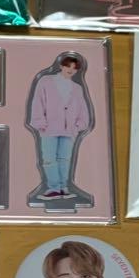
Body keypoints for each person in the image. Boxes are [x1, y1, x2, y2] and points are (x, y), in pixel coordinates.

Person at [27, 53, 92, 200]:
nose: (71, 70)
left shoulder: (77, 88)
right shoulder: (46, 81)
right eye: (68, 66)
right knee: (49, 159)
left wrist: (79, 125)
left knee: (64, 159)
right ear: (61, 66)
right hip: (49, 128)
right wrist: (40, 122)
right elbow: (38, 101)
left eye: (74, 68)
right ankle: (53, 189)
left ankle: (64, 188)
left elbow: (83, 108)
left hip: (69, 130)